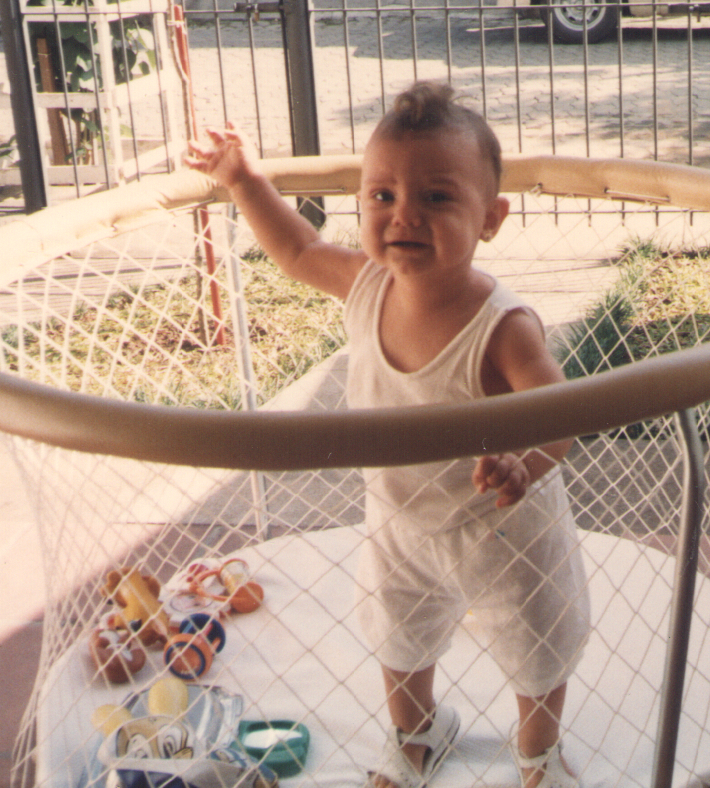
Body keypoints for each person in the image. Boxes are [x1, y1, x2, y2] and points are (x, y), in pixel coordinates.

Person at [184, 83, 590, 788]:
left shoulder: (501, 325)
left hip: (502, 523)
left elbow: (557, 407)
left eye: (436, 198)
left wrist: (525, 463)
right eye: (382, 197)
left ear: (490, 219)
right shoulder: (367, 284)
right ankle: (417, 731)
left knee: (538, 641)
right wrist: (245, 179)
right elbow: (299, 247)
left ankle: (538, 751)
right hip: (400, 518)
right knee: (398, 640)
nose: (404, 216)